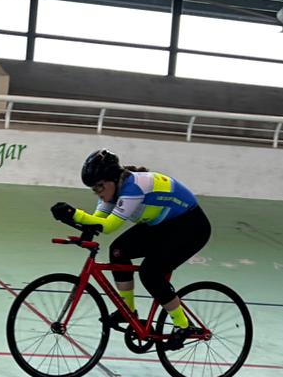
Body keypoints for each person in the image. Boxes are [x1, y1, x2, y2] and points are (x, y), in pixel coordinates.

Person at [50, 149, 212, 348]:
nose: (98, 193)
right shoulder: (112, 191)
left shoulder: (133, 188)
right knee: (119, 251)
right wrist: (71, 219)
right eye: (94, 189)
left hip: (191, 227)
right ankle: (128, 311)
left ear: (113, 179)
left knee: (151, 274)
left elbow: (108, 227)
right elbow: (98, 221)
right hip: (165, 225)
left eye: (100, 186)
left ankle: (183, 325)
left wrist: (74, 213)